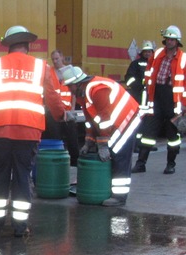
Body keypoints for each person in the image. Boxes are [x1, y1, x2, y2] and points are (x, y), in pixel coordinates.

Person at [0, 25, 66, 236]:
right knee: (23, 176)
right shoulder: (40, 66)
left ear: (9, 46)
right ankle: (20, 226)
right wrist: (60, 115)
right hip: (28, 132)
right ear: (27, 46)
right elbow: (52, 97)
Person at [59, 66, 142, 206]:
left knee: (119, 154)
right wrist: (89, 141)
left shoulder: (97, 89)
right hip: (114, 121)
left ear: (77, 83)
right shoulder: (84, 94)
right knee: (114, 153)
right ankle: (109, 190)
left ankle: (119, 197)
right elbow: (91, 120)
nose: (68, 90)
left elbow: (105, 118)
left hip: (127, 118)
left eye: (69, 86)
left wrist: (103, 144)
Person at [134, 25, 186, 175]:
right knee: (148, 131)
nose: (169, 42)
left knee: (172, 135)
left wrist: (185, 104)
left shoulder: (184, 58)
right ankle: (141, 163)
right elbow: (149, 69)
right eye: (167, 39)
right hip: (157, 97)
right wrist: (147, 85)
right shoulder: (158, 53)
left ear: (177, 42)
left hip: (173, 101)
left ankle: (170, 164)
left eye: (172, 40)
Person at [49, 49, 83, 161]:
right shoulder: (50, 72)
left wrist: (73, 107)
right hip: (55, 111)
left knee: (72, 137)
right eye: (53, 59)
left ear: (62, 57)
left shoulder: (70, 70)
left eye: (57, 58)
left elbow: (73, 92)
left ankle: (74, 160)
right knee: (56, 137)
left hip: (68, 110)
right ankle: (59, 159)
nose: (55, 61)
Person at [124, 41, 153, 105]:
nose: (147, 54)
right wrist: (139, 85)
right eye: (145, 51)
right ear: (142, 52)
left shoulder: (156, 64)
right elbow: (129, 79)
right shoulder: (135, 64)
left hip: (151, 95)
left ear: (152, 53)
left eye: (149, 52)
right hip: (137, 95)